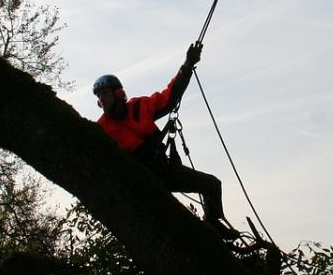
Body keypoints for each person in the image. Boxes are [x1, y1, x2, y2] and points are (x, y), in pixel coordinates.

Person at [93, 42, 238, 240]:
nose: (102, 100)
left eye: (105, 93)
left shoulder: (139, 106)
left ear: (118, 93)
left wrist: (188, 65)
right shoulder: (101, 128)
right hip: (142, 182)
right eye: (99, 96)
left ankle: (213, 223)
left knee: (212, 185)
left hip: (165, 170)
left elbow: (169, 96)